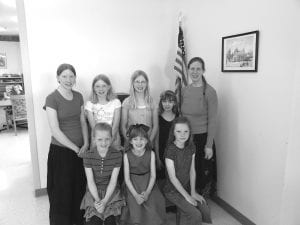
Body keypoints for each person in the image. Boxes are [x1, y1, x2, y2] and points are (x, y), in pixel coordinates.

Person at [44, 63, 89, 225]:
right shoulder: (51, 98)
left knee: (79, 187)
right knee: (61, 192)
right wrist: (76, 148)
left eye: (71, 76)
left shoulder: (78, 96)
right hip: (61, 152)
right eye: (64, 76)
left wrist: (86, 144)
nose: (68, 80)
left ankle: (78, 221)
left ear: (75, 78)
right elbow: (55, 130)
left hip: (81, 151)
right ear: (57, 78)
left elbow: (83, 122)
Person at [164, 117, 212, 225]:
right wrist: (187, 197)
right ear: (173, 132)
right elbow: (173, 178)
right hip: (172, 190)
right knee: (195, 214)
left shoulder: (191, 147)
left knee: (205, 208)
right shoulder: (170, 150)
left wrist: (193, 192)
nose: (182, 135)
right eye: (179, 131)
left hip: (187, 186)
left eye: (186, 131)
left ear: (190, 132)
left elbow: (192, 171)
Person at [181, 57, 218, 197]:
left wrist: (209, 145)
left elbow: (213, 120)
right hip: (185, 138)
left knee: (200, 174)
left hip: (202, 139)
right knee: (185, 172)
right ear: (188, 70)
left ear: (203, 70)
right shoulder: (185, 91)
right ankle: (188, 201)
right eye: (192, 69)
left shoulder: (210, 92)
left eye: (198, 69)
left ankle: (201, 203)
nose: (195, 72)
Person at [80, 123, 125, 225]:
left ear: (111, 138)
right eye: (100, 139)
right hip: (94, 193)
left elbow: (113, 181)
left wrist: (104, 201)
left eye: (107, 139)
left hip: (111, 193)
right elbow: (90, 182)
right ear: (94, 138)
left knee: (111, 222)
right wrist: (98, 201)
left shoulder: (117, 155)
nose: (104, 143)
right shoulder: (88, 156)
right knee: (94, 222)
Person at [121, 124, 166, 225]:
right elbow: (127, 179)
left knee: (154, 201)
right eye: (135, 139)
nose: (139, 142)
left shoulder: (151, 153)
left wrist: (147, 192)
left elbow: (153, 176)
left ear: (146, 140)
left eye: (142, 139)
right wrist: (136, 195)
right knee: (134, 204)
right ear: (131, 141)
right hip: (132, 183)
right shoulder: (126, 155)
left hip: (148, 182)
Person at [121, 70, 158, 147]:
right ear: (133, 83)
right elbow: (123, 126)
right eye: (137, 81)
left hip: (148, 142)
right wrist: (130, 142)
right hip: (131, 143)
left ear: (147, 83)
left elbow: (155, 126)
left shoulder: (152, 102)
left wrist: (149, 142)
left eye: (143, 82)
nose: (140, 84)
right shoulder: (127, 102)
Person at [85, 74, 121, 149]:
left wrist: (110, 140)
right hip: (96, 138)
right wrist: (101, 142)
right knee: (96, 160)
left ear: (109, 87)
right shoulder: (90, 104)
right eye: (97, 86)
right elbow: (93, 127)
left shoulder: (116, 102)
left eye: (104, 86)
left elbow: (116, 124)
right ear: (93, 88)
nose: (101, 89)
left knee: (114, 159)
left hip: (113, 137)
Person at [155, 90, 178, 180]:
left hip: (174, 154)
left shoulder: (178, 117)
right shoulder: (158, 117)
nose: (167, 104)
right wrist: (157, 158)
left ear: (175, 103)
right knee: (161, 179)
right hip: (161, 152)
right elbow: (156, 140)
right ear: (161, 102)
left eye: (170, 101)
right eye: (164, 101)